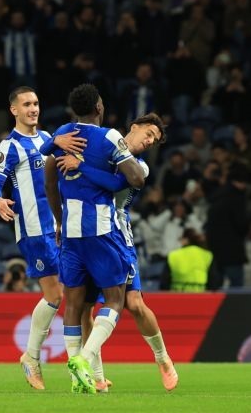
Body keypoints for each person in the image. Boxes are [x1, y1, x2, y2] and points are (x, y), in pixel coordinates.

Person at [54, 113, 179, 391]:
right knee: (85, 307)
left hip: (117, 237)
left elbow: (111, 185)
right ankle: (96, 377)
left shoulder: (139, 168)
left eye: (154, 140)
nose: (149, 141)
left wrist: (81, 166)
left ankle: (162, 358)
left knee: (133, 303)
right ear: (133, 126)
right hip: (84, 233)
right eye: (148, 134)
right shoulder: (102, 147)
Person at [42, 83, 145, 394]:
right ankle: (85, 359)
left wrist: (59, 221)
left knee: (73, 304)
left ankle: (78, 379)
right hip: (101, 232)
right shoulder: (110, 136)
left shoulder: (61, 134)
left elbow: (49, 183)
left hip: (70, 233)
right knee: (114, 299)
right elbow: (136, 178)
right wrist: (89, 168)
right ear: (99, 107)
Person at [0, 86, 86, 390]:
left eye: (37, 103)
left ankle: (78, 367)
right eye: (27, 104)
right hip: (32, 229)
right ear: (14, 110)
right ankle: (32, 358)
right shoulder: (9, 146)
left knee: (74, 296)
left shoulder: (47, 141)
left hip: (61, 227)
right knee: (57, 296)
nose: (33, 108)